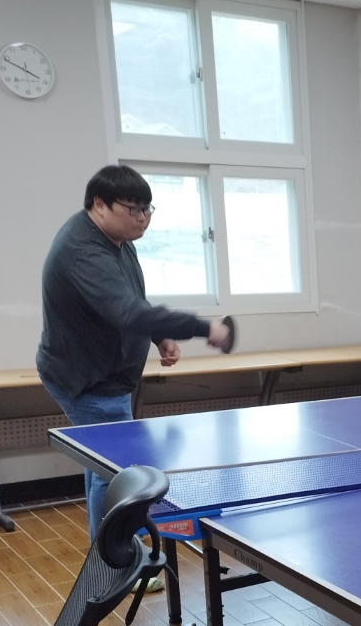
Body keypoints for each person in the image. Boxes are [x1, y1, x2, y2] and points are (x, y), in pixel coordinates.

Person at [38, 165, 231, 555]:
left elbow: (131, 301)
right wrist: (203, 327)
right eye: (133, 209)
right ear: (100, 205)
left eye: (147, 209)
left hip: (106, 376)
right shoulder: (84, 252)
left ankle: (105, 552)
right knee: (115, 471)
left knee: (102, 465)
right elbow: (127, 312)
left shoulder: (118, 240)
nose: (143, 218)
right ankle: (113, 558)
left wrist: (159, 335)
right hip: (88, 381)